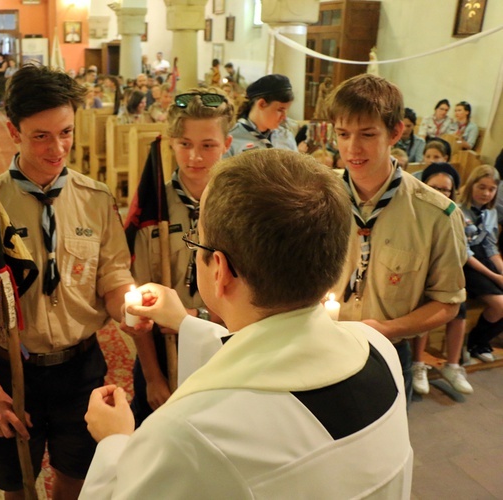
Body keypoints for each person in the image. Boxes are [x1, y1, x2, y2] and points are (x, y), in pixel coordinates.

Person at [82, 149, 413, 498]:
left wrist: (114, 442)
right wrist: (185, 322)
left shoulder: (190, 435)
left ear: (220, 270)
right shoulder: (377, 351)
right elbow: (277, 361)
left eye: (197, 243)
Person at [0, 64, 134, 499]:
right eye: (41, 136)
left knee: (77, 475)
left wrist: (133, 310)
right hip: (12, 370)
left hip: (81, 366)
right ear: (13, 131)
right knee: (16, 481)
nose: (58, 148)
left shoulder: (96, 199)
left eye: (66, 132)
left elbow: (112, 279)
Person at [327, 74, 467, 401]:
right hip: (322, 345)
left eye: (367, 134)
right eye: (342, 134)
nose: (352, 148)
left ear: (395, 132)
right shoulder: (316, 195)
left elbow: (447, 302)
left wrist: (389, 329)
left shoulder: (436, 215)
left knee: (381, 449)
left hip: (388, 353)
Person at [127, 89, 233, 426]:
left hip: (225, 349)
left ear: (226, 144)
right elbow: (139, 302)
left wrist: (193, 316)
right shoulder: (153, 204)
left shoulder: (240, 206)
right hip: (161, 351)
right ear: (171, 142)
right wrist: (154, 376)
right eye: (185, 144)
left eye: (208, 145)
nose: (195, 157)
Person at [411, 163, 473, 394]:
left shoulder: (454, 214)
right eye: (434, 187)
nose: (440, 193)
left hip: (443, 271)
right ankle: (418, 363)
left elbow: (460, 252)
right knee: (427, 303)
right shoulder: (415, 211)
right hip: (417, 272)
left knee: (458, 305)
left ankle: (453, 365)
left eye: (446, 190)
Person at [458, 165, 503, 363]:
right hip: (464, 263)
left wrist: (502, 270)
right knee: (500, 305)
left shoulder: (490, 212)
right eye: (481, 187)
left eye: (491, 189)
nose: (486, 193)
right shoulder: (459, 210)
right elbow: (464, 252)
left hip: (482, 258)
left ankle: (482, 341)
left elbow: (490, 245)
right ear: (471, 185)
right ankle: (474, 342)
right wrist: (495, 277)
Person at [226, 74, 297, 155]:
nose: (284, 117)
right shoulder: (233, 139)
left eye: (286, 110)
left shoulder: (286, 136)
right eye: (280, 110)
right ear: (262, 104)